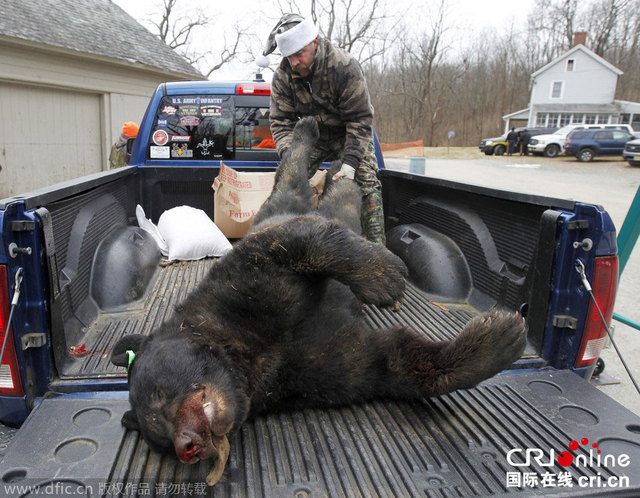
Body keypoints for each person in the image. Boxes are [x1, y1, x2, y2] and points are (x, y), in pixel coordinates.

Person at [263, 14, 386, 244]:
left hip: (348, 134)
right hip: (314, 136)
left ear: (315, 43)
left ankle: (378, 253)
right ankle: (268, 245)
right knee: (285, 183)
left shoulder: (343, 66)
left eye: (299, 54)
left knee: (368, 183)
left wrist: (350, 163)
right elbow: (281, 122)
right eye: (289, 57)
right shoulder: (282, 77)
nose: (294, 62)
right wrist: (293, 157)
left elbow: (360, 119)